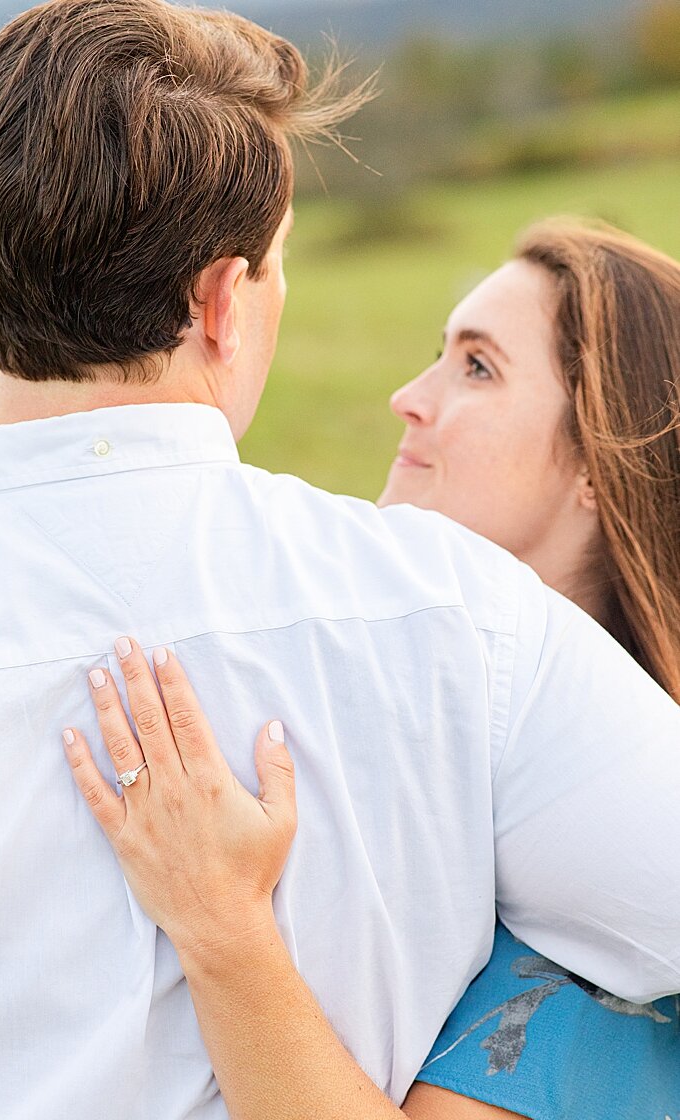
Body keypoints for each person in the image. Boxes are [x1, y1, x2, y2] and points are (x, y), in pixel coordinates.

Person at [0, 2, 680, 1118]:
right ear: (224, 302)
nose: (409, 400)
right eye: (275, 270)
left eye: (477, 366)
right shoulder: (466, 618)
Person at [67, 220, 680, 1119]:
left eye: (477, 368)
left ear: (598, 459)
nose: (408, 397)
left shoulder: (591, 923)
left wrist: (224, 925)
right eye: (438, 355)